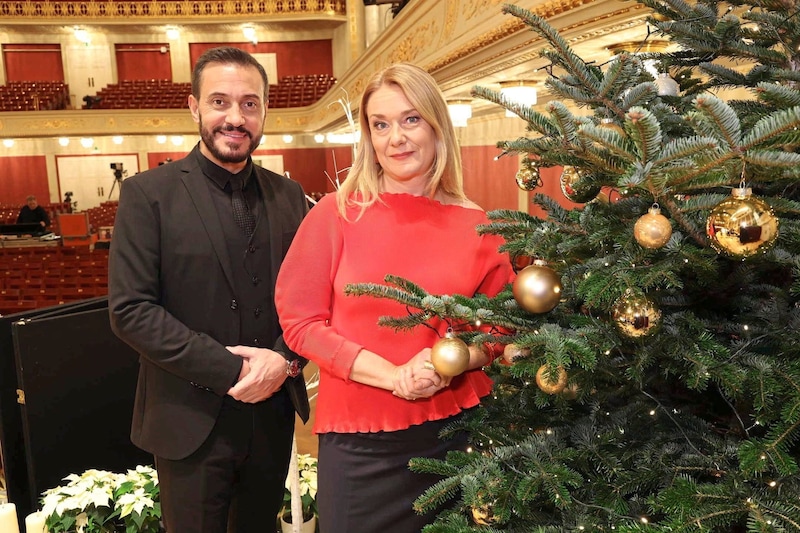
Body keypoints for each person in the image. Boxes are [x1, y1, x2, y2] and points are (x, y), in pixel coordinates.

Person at [274, 63, 514, 532]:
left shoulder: (478, 224)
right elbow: (300, 322)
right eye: (380, 125)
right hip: (358, 443)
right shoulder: (335, 214)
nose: (396, 138)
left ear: (436, 125)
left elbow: (501, 330)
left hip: (455, 433)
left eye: (410, 119)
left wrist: (450, 363)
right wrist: (394, 376)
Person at [108, 46, 310, 533]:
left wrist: (284, 360)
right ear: (195, 106)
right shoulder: (147, 194)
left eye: (249, 103)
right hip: (187, 420)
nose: (235, 118)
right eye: (220, 102)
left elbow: (310, 301)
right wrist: (236, 369)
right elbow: (132, 310)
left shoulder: (291, 196)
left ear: (264, 111)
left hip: (271, 418)